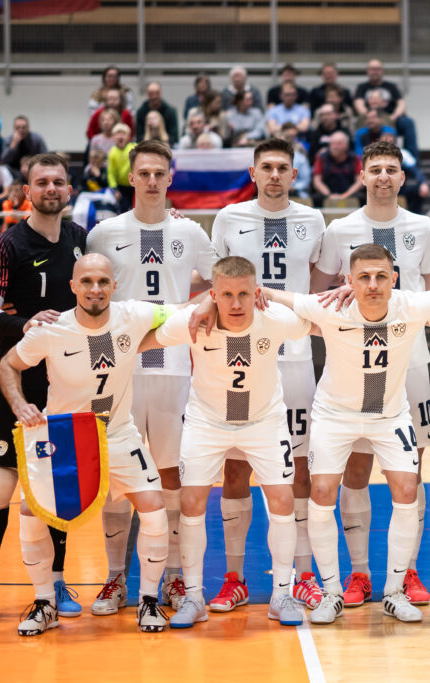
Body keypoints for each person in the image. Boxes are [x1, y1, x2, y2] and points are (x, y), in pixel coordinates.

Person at [262, 244, 430, 624]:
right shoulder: (329, 307)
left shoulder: (411, 305)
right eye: (363, 277)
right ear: (348, 280)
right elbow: (278, 296)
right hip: (334, 416)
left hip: (389, 415)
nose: (372, 284)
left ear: (394, 279)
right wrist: (247, 292)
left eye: (381, 276)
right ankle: (332, 592)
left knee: (407, 490)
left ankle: (394, 591)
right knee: (321, 494)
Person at [0, 253, 172, 636]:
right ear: (73, 286)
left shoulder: (134, 314)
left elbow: (180, 313)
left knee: (154, 506)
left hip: (118, 433)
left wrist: (218, 297)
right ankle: (45, 603)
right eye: (87, 282)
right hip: (64, 436)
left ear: (113, 286)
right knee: (30, 511)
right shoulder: (51, 329)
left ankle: (148, 601)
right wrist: (20, 404)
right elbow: (7, 365)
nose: (96, 289)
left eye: (103, 282)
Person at [308, 140, 430, 609]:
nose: (384, 176)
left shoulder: (422, 227)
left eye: (392, 169)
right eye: (376, 169)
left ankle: (405, 572)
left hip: (408, 363)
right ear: (361, 176)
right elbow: (319, 295)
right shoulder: (340, 228)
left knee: (410, 470)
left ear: (403, 177)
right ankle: (360, 573)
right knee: (356, 468)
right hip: (353, 363)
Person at [142, 256, 311, 628]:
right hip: (208, 422)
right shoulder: (194, 323)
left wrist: (280, 297)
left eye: (244, 295)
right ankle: (195, 596)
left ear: (256, 293)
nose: (236, 304)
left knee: (283, 499)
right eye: (227, 295)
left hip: (264, 421)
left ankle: (282, 594)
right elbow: (145, 339)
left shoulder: (276, 320)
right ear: (213, 295)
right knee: (190, 500)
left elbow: (318, 320)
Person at [85, 140, 216, 616]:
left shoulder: (191, 233)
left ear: (171, 177)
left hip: (173, 368)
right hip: (115, 368)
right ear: (132, 178)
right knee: (117, 476)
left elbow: (219, 284)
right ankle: (115, 579)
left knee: (169, 474)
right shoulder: (104, 232)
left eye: (160, 173)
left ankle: (177, 578)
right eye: (145, 173)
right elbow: (90, 297)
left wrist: (201, 304)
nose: (153, 181)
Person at [206, 137, 329, 610]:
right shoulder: (228, 219)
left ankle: (300, 574)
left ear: (294, 174)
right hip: (237, 355)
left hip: (295, 357)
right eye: (267, 167)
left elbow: (318, 289)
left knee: (298, 466)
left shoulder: (312, 220)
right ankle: (234, 577)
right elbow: (214, 279)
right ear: (253, 173)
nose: (275, 174)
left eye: (283, 167)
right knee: (234, 465)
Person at [0, 154, 87, 626]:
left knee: (56, 484)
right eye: (42, 182)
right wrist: (23, 323)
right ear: (27, 190)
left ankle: (55, 580)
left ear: (69, 189)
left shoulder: (81, 239)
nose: (51, 188)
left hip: (65, 377)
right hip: (15, 373)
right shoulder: (7, 244)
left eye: (58, 181)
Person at [353, 59, 419, 159]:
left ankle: (411, 160)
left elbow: (401, 103)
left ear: (382, 71)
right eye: (372, 69)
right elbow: (358, 103)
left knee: (408, 122)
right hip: (368, 118)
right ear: (368, 71)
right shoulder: (362, 87)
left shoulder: (391, 86)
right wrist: (371, 116)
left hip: (390, 118)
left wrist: (395, 115)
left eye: (377, 69)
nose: (375, 71)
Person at [312, 131, 363, 205]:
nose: (334, 147)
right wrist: (329, 195)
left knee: (362, 197)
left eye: (338, 144)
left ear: (346, 145)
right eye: (332, 144)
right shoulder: (321, 158)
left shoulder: (355, 158)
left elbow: (360, 181)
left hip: (349, 193)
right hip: (327, 193)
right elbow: (317, 181)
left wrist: (346, 194)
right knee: (316, 198)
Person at [135, 82, 179, 146]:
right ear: (147, 94)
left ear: (161, 93)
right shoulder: (141, 112)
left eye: (157, 93)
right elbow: (138, 137)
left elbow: (174, 137)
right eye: (151, 93)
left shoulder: (170, 111)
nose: (154, 96)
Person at [107, 123, 137, 212]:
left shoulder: (134, 147)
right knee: (123, 210)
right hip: (121, 187)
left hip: (135, 185)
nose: (120, 136)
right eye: (118, 134)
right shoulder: (112, 152)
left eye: (123, 134)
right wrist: (115, 189)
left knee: (136, 208)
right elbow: (110, 173)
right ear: (113, 137)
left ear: (128, 137)